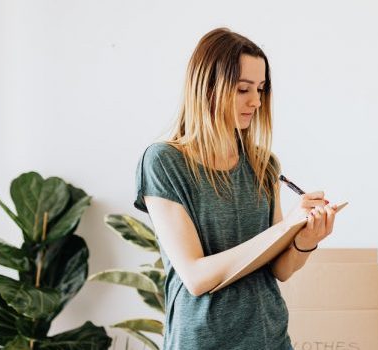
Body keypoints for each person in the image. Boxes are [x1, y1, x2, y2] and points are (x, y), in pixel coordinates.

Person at [132, 27, 339, 350]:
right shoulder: (164, 162)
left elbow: (279, 270)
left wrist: (304, 240)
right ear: (208, 88)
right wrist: (284, 228)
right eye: (244, 89)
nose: (256, 101)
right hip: (202, 341)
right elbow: (196, 278)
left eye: (261, 89)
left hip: (270, 338)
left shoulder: (263, 164)